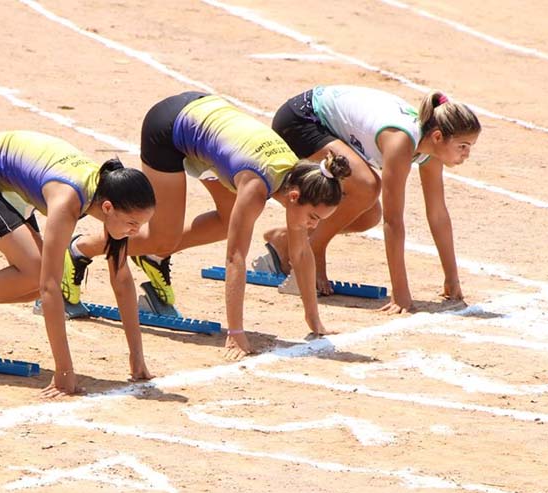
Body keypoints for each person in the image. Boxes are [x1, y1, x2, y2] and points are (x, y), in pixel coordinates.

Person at [64, 92, 351, 360]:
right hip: (168, 128)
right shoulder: (256, 187)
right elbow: (235, 257)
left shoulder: (299, 177)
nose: (312, 225)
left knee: (226, 223)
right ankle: (80, 249)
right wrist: (235, 333)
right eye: (313, 217)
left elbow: (301, 252)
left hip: (204, 118)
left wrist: (314, 321)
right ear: (294, 197)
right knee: (162, 238)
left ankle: (152, 256)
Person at [0, 131, 156, 397]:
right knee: (39, 274)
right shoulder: (68, 201)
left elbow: (121, 279)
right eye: (133, 223)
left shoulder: (109, 195)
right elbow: (49, 287)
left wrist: (137, 356)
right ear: (108, 208)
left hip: (8, 182)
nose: (136, 232)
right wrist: (64, 372)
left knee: (34, 281)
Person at [261, 85, 481, 314]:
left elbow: (437, 214)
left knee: (369, 216)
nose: (467, 154)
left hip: (326, 126)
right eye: (462, 146)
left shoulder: (430, 149)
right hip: (301, 120)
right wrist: (400, 293)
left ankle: (286, 239)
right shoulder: (401, 142)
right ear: (437, 136)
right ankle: (313, 251)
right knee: (367, 186)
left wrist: (452, 278)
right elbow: (393, 221)